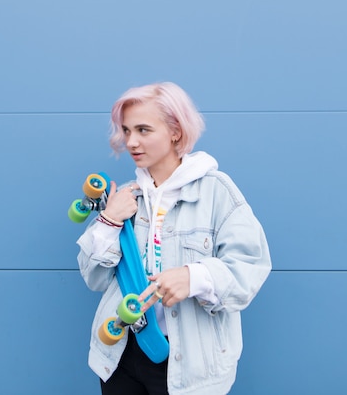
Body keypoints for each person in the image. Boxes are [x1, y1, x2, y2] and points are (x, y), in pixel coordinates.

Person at [76, 82, 271, 395]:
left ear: (175, 132)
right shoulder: (125, 196)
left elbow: (250, 267)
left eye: (143, 130)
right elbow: (94, 278)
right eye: (126, 131)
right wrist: (109, 220)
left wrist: (193, 277)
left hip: (189, 363)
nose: (131, 142)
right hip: (120, 354)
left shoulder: (216, 192)